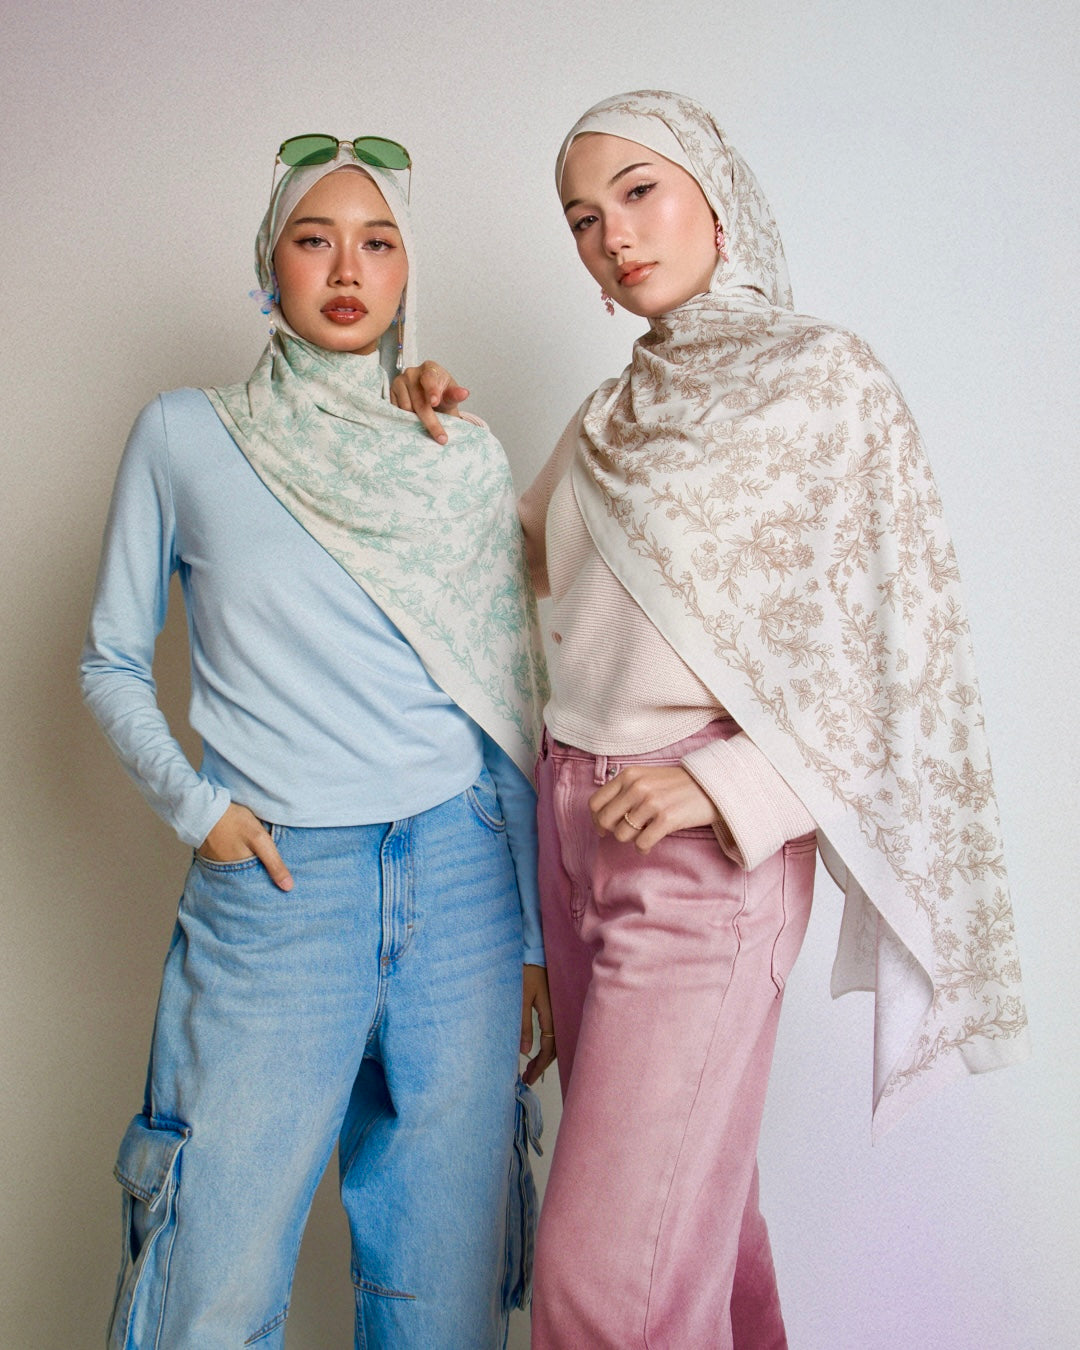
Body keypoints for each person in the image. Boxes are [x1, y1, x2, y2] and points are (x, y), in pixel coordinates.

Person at [396, 89, 1029, 1349]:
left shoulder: (822, 381)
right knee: (695, 1237)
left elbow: (900, 636)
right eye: (583, 219)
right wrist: (434, 436)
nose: (614, 236)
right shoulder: (612, 413)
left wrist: (735, 784)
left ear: (718, 197)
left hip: (700, 860)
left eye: (639, 191)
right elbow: (511, 566)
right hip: (569, 836)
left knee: (603, 1281)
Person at [81, 134, 552, 1350]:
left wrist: (533, 935)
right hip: (281, 885)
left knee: (443, 1306)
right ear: (269, 266)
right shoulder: (187, 435)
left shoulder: (453, 451)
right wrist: (201, 813)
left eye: (378, 243)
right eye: (315, 240)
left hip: (462, 879)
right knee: (210, 1290)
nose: (348, 270)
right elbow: (110, 660)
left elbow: (503, 698)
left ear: (406, 274)